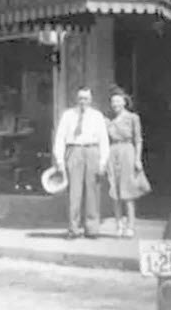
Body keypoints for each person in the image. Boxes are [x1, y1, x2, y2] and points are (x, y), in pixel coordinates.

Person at [53, 86, 110, 239]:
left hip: (92, 151)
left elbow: (104, 139)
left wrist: (103, 161)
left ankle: (91, 229)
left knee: (93, 191)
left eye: (86, 98)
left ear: (91, 100)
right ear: (76, 99)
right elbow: (60, 138)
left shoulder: (97, 116)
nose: (83, 101)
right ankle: (73, 228)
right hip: (74, 151)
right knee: (74, 192)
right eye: (80, 98)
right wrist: (59, 159)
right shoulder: (68, 115)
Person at [106, 86, 149, 238]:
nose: (115, 104)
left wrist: (137, 158)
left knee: (128, 191)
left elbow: (138, 139)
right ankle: (118, 225)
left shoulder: (133, 118)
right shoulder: (109, 121)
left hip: (127, 151)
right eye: (113, 102)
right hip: (113, 152)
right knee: (115, 191)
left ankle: (130, 225)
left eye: (118, 101)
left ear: (124, 102)